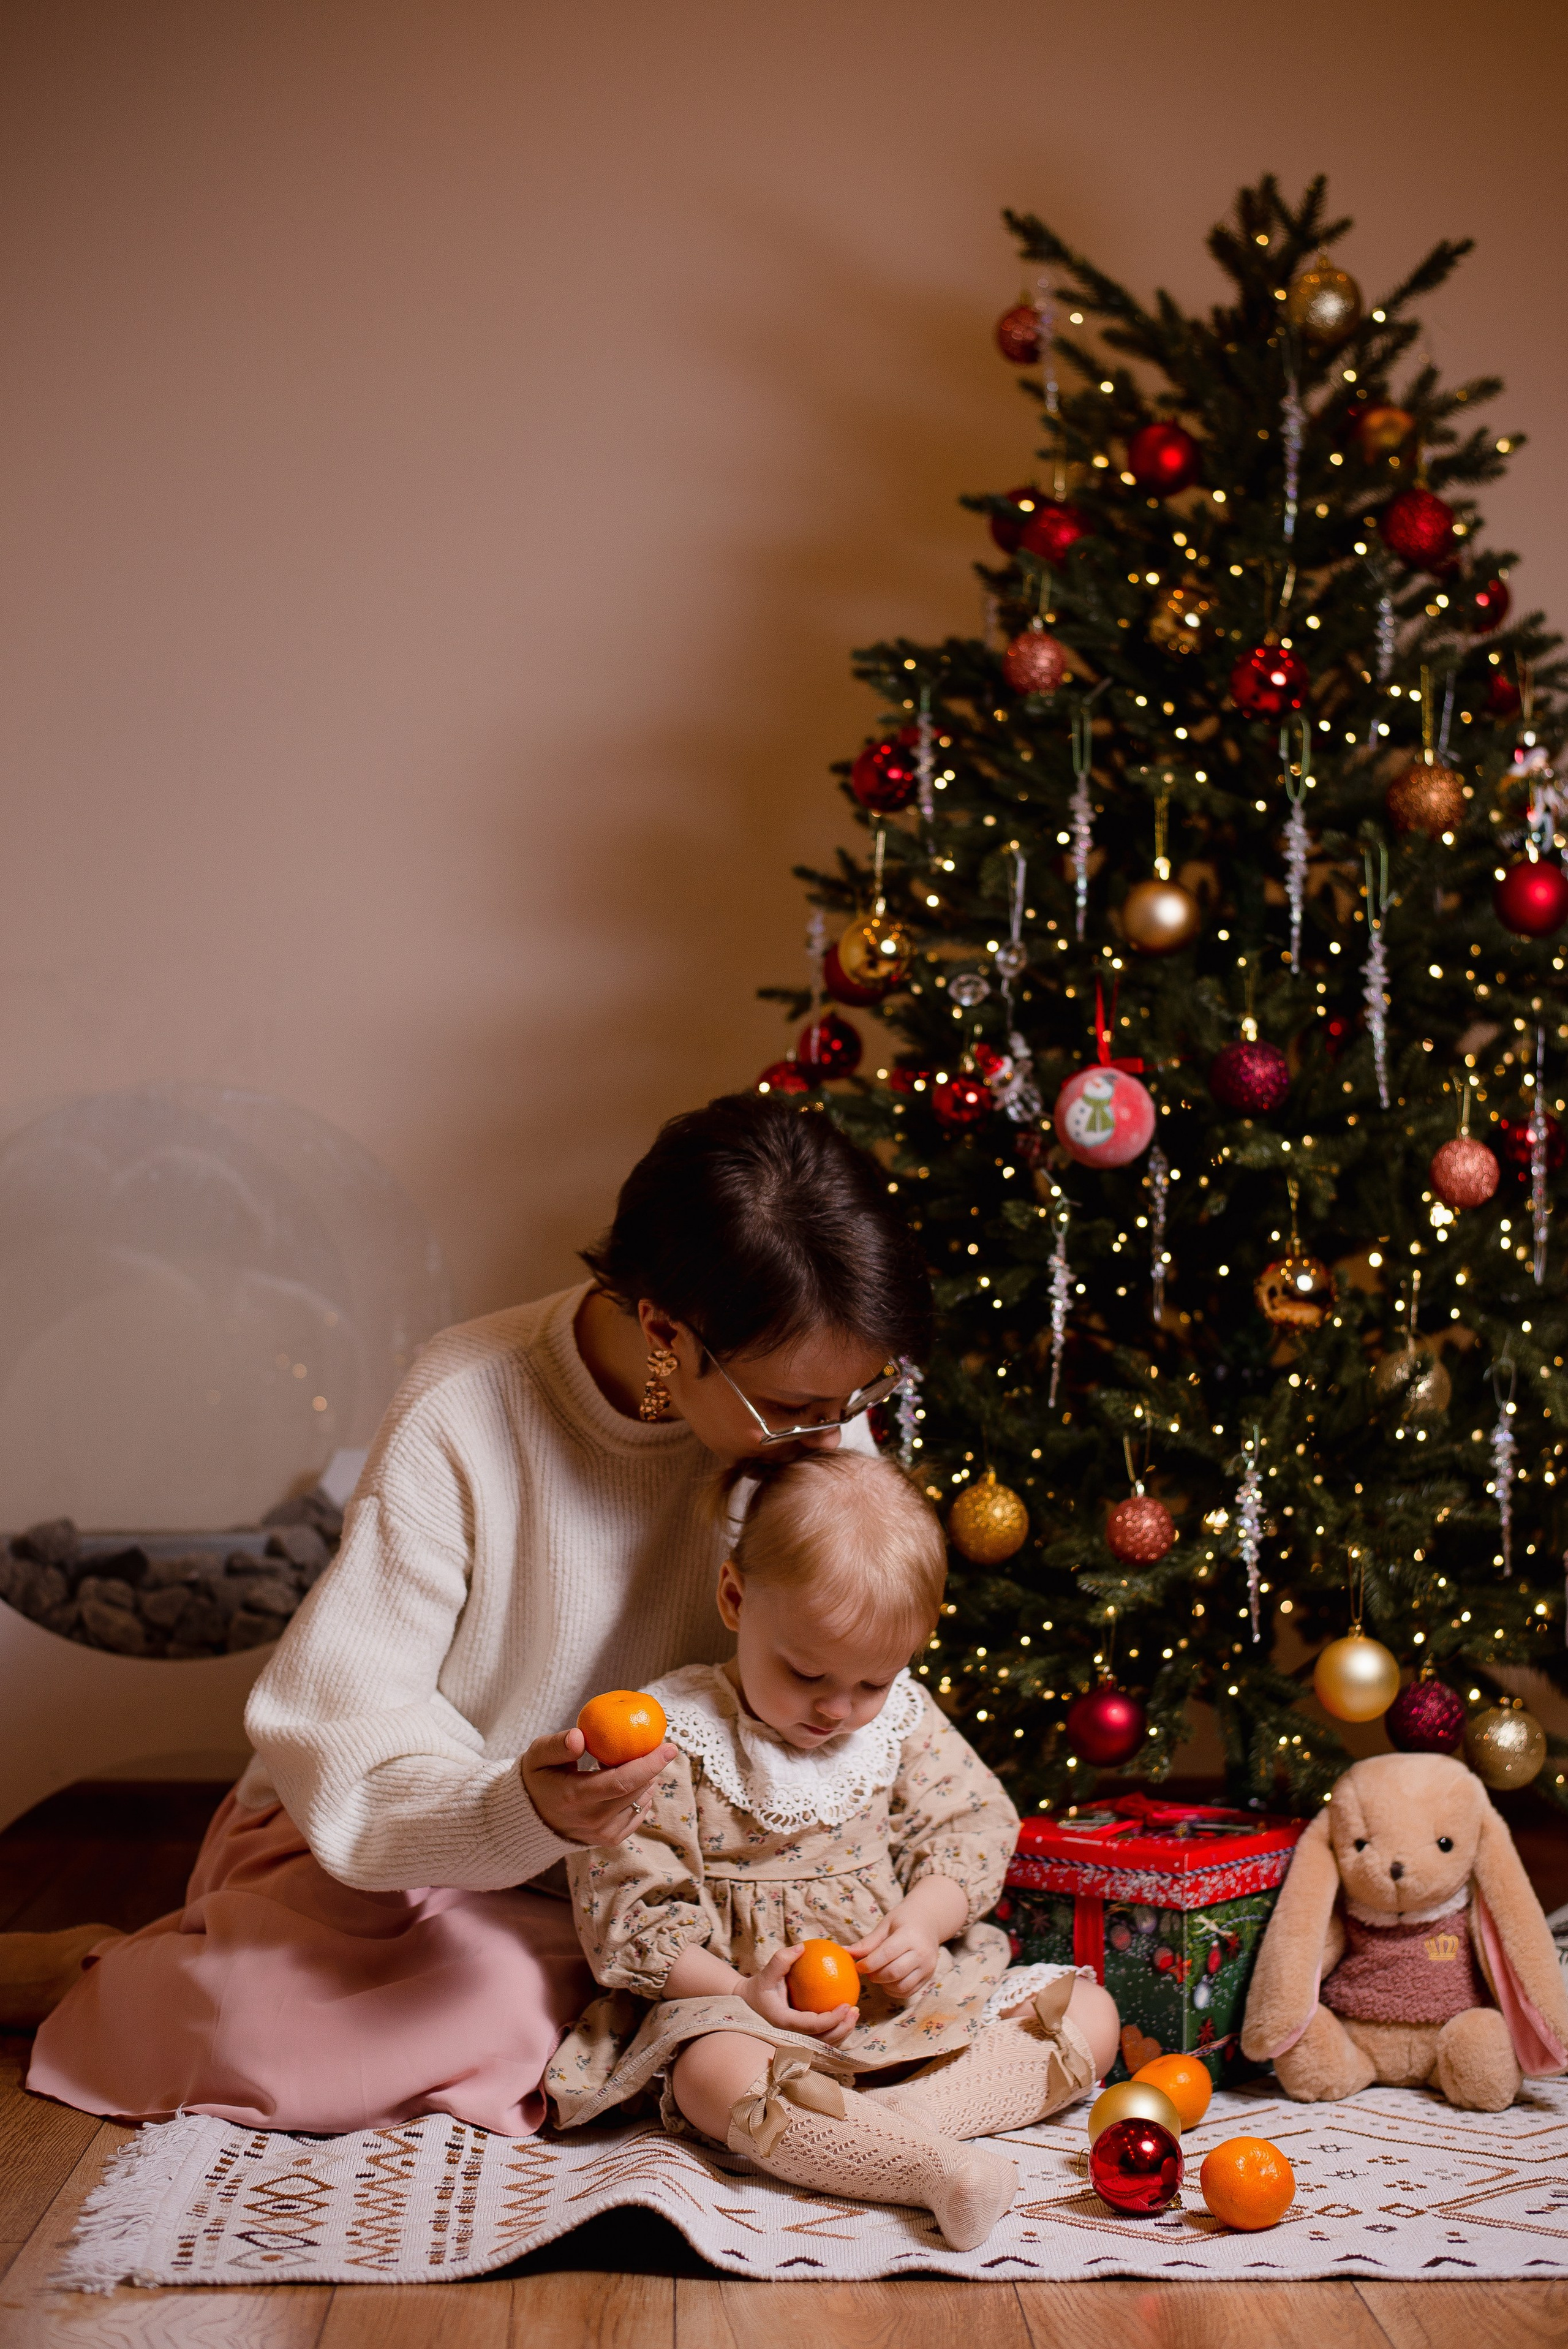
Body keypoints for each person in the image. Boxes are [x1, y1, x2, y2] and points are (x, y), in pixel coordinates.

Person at [17, 1094, 931, 2134]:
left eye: (859, 1399)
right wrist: (523, 1811)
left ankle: (621, 1995)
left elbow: (846, 1649)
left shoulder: (809, 1434)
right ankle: (105, 1969)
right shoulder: (468, 1401)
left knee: (714, 1991)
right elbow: (346, 1741)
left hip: (667, 1881)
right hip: (410, 1859)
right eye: (797, 1408)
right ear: (666, 1332)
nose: (832, 1438)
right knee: (420, 2006)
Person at [546, 1447, 1118, 2250]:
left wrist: (924, 1923)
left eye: (871, 1682)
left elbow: (970, 1822)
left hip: (909, 2011)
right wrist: (743, 1994)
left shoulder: (898, 1722)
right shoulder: (673, 1732)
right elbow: (632, 1905)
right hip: (748, 2012)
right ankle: (931, 2174)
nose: (838, 1710)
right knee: (713, 2076)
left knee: (1087, 2014)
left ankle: (907, 2126)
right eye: (807, 1672)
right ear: (735, 1598)